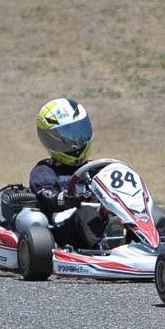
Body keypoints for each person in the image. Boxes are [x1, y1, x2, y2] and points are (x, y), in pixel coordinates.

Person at [28, 97, 110, 250]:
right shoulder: (45, 169)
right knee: (86, 213)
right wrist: (64, 199)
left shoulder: (95, 169)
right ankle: (103, 247)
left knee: (126, 215)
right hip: (63, 226)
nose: (75, 144)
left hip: (100, 220)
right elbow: (47, 194)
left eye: (78, 134)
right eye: (65, 139)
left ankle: (156, 240)